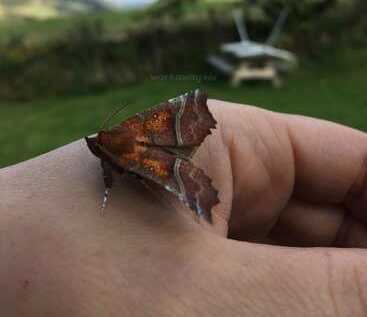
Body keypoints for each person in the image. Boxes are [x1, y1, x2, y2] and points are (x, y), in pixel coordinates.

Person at [1, 99, 367, 316]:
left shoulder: (116, 148)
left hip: (153, 162)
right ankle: (182, 172)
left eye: (97, 148)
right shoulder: (125, 134)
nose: (95, 149)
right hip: (155, 148)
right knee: (165, 151)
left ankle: (185, 179)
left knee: (163, 163)